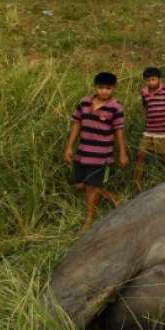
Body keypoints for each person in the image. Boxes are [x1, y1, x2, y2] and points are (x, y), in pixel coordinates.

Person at [63, 72, 128, 233]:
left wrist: (122, 153)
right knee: (79, 184)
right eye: (101, 88)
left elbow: (118, 131)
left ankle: (89, 219)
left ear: (114, 88)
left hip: (101, 155)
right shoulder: (85, 102)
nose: (104, 92)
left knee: (92, 187)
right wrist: (69, 147)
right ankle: (109, 195)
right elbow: (77, 123)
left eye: (108, 88)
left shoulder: (116, 107)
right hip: (83, 151)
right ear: (95, 87)